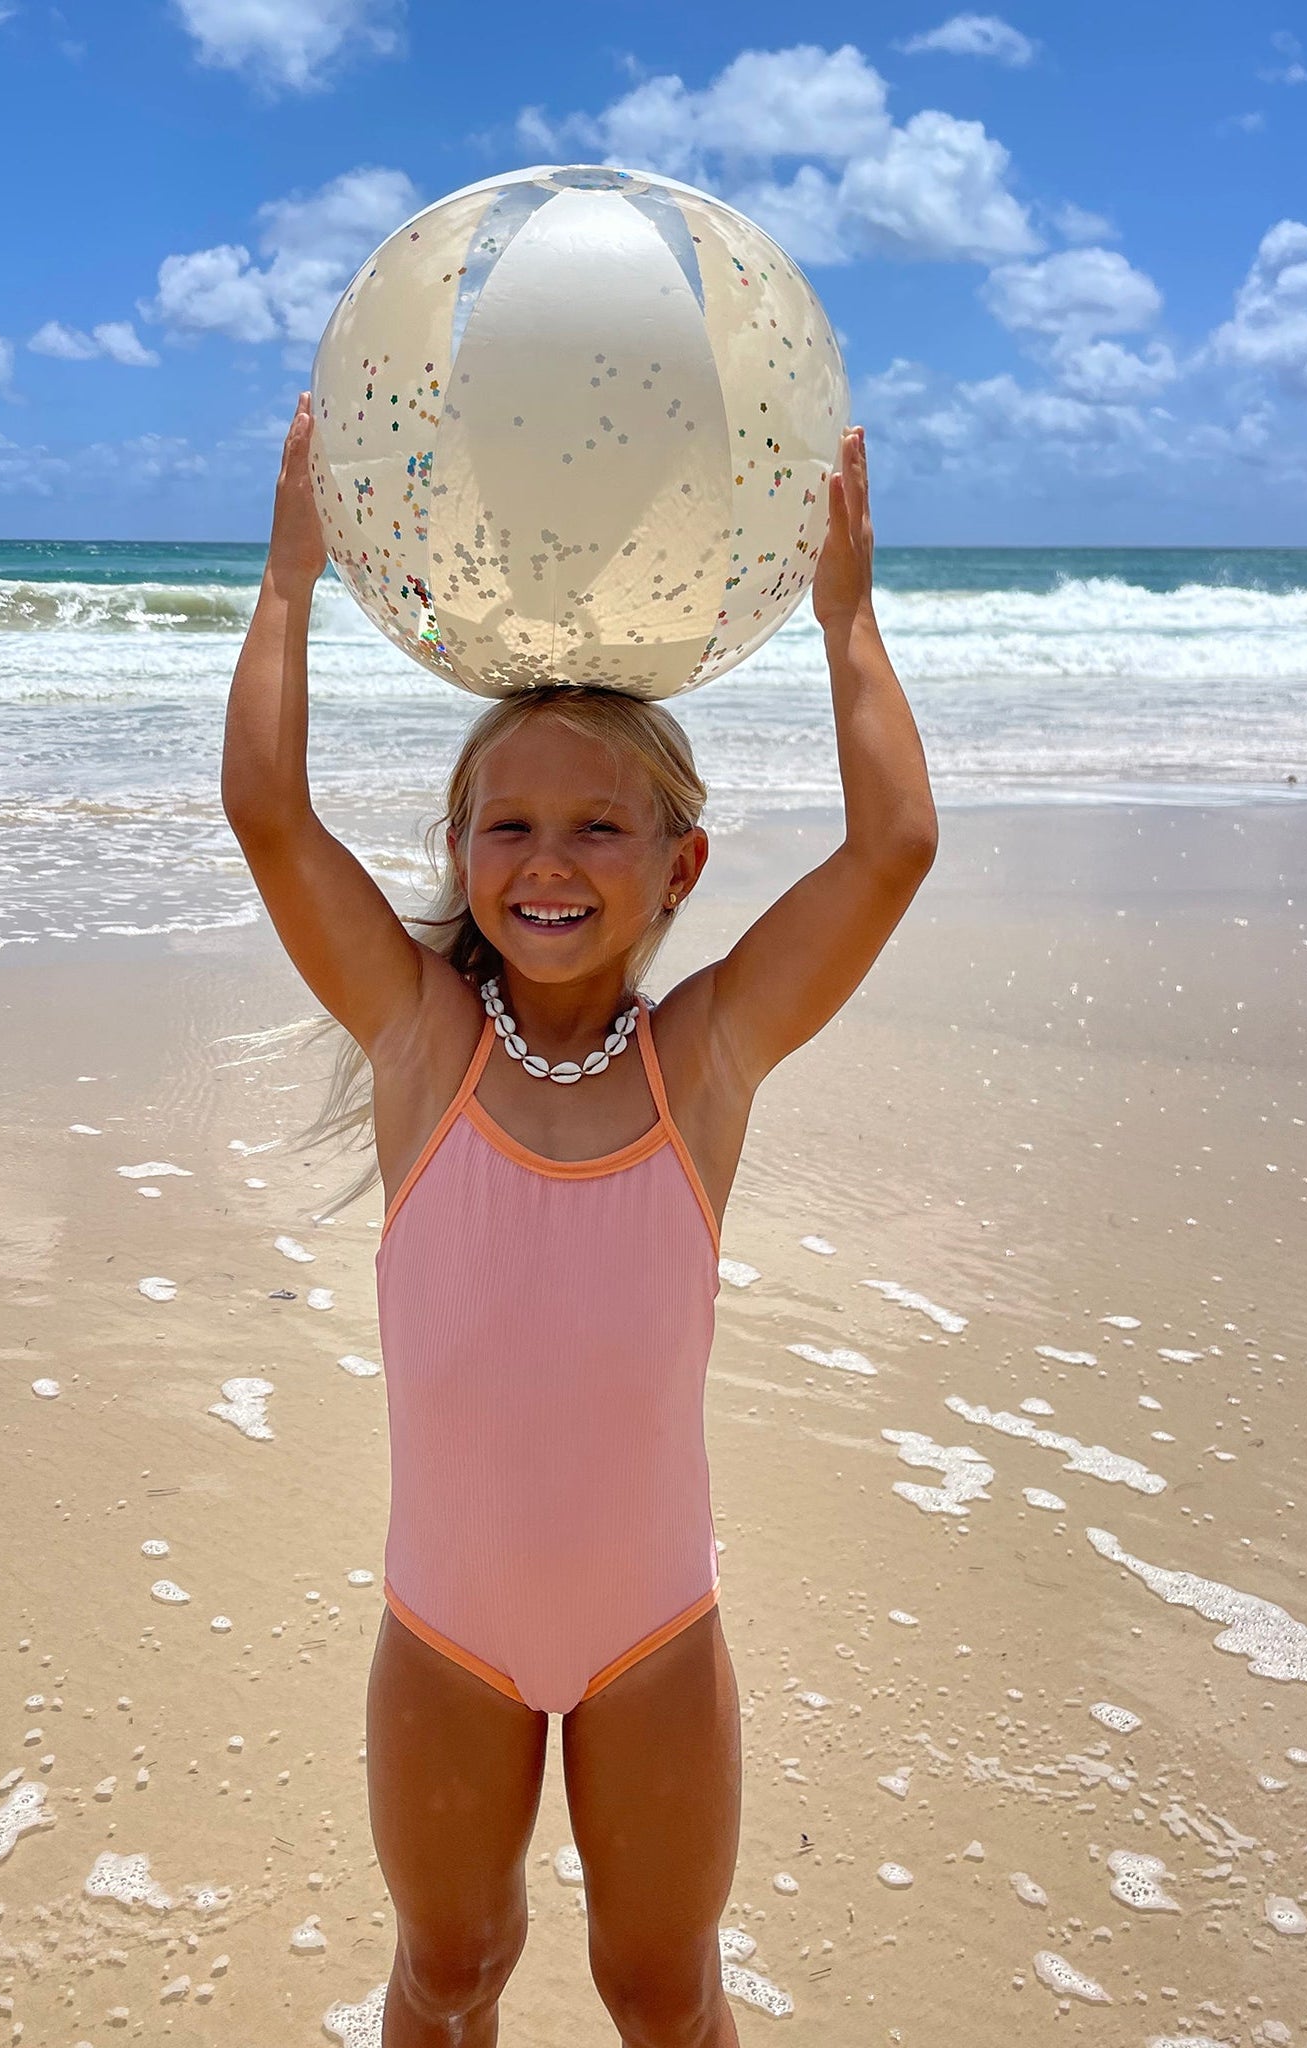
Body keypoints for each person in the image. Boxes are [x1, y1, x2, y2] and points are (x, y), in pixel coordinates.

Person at [221, 391, 937, 2048]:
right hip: (448, 1630)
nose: (549, 863)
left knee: (658, 1991)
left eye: (598, 827)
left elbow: (893, 846)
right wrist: (285, 582)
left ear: (678, 871)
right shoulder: (421, 1048)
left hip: (650, 1637)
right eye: (509, 827)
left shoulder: (706, 1062)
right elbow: (269, 815)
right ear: (463, 853)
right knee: (449, 1971)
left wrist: (848, 622)